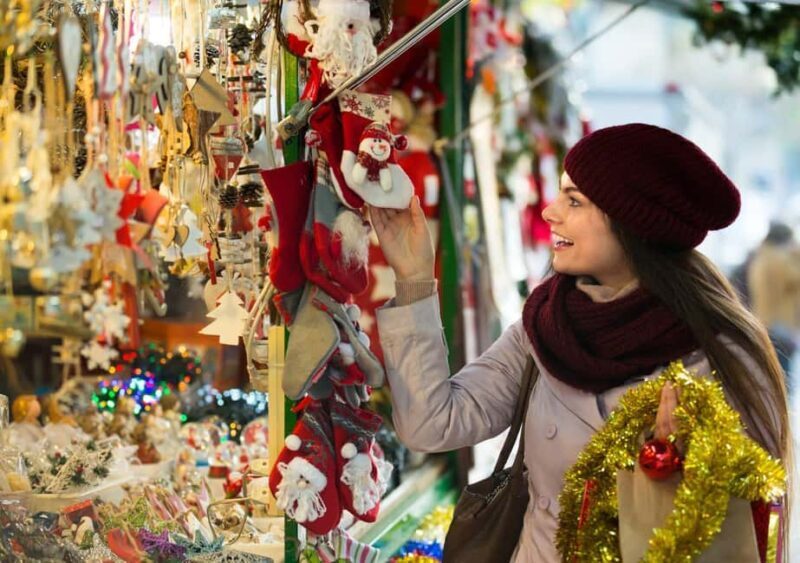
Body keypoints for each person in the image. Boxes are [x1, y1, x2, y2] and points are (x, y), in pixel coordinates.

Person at [370, 123, 789, 562]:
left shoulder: (723, 359)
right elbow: (432, 423)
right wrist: (414, 277)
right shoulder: (545, 327)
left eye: (574, 201)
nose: (550, 213)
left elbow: (750, 534)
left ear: (632, 223)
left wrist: (676, 471)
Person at [747, 221, 800, 376]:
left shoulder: (760, 257)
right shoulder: (779, 260)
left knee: (772, 373)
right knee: (783, 375)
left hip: (763, 320)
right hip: (779, 324)